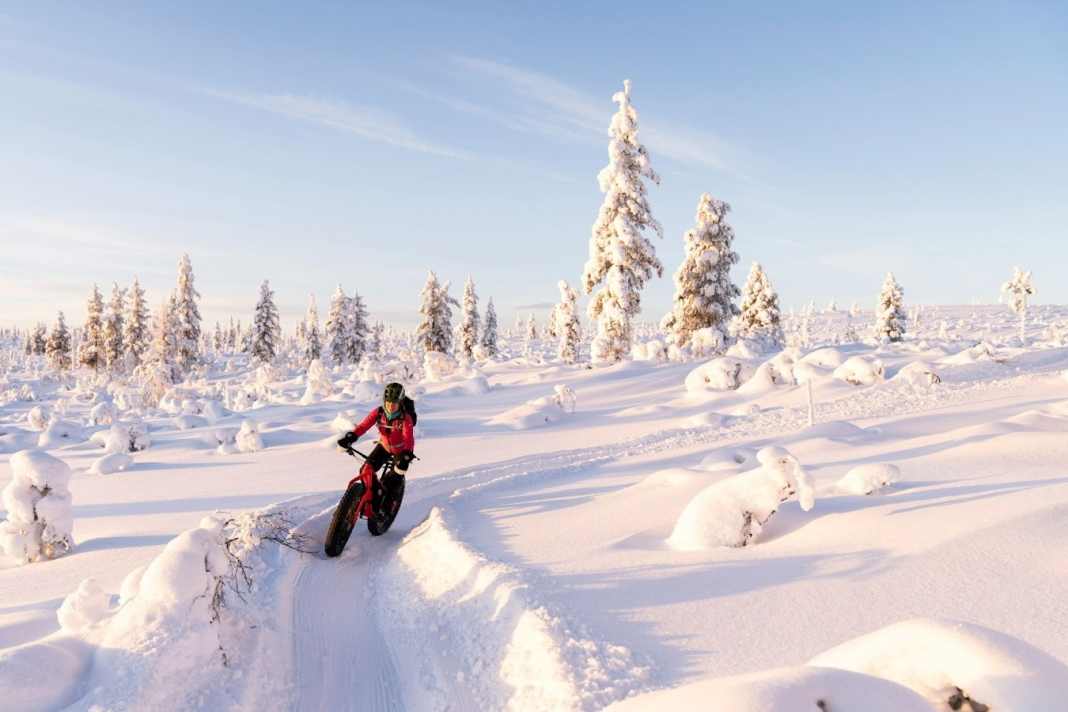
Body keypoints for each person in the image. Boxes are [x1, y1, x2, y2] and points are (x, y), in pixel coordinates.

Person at [336, 382, 415, 514]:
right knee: (365, 470)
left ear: (400, 403)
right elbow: (363, 426)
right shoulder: (378, 413)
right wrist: (351, 437)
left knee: (394, 478)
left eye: (394, 403)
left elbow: (408, 439)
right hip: (384, 447)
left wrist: (406, 456)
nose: (391, 406)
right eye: (388, 402)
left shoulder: (405, 418)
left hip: (400, 451)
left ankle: (388, 506)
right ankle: (373, 495)